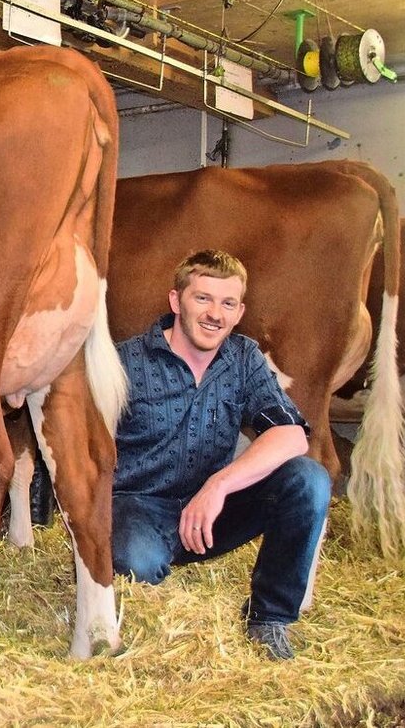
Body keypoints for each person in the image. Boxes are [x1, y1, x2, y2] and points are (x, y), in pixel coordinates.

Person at [111, 249, 331, 660]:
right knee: (137, 562)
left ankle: (269, 618)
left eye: (228, 303)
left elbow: (291, 435)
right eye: (203, 298)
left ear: (240, 312)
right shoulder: (125, 361)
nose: (215, 314)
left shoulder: (243, 358)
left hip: (210, 512)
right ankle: (149, 572)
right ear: (176, 301)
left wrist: (219, 485)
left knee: (308, 478)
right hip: (138, 506)